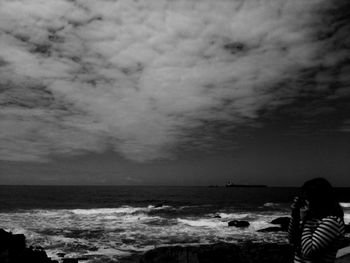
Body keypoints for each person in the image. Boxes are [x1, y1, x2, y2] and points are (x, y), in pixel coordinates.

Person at [288, 178, 345, 263]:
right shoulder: (313, 219)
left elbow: (308, 252)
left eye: (307, 198)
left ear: (317, 199)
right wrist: (295, 216)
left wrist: (305, 221)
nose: (305, 201)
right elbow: (292, 240)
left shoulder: (331, 222)